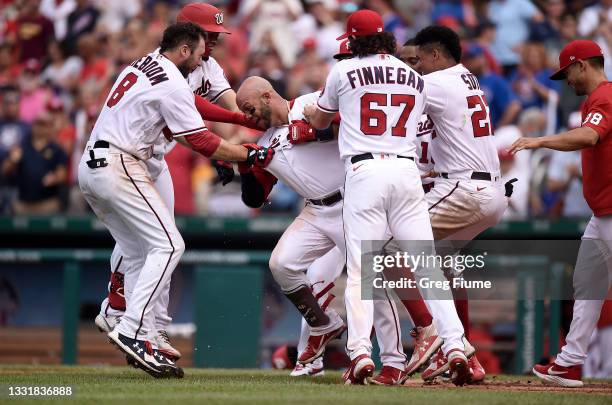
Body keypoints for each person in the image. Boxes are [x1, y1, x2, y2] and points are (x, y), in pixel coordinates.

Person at [78, 22, 274, 378]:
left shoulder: (146, 63)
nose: (205, 54)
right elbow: (198, 140)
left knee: (139, 251)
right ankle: (133, 329)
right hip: (121, 162)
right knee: (168, 245)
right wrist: (247, 155)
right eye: (201, 48)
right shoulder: (170, 78)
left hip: (95, 165)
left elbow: (197, 108)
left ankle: (126, 319)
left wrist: (235, 131)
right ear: (185, 49)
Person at [305, 10, 469, 385]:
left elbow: (320, 121)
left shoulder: (343, 71)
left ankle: (361, 352)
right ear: (387, 39)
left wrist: (314, 115)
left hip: (366, 172)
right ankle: (455, 343)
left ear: (353, 40)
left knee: (363, 270)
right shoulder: (414, 75)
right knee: (426, 266)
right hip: (407, 171)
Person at [236, 76, 409, 385]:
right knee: (282, 263)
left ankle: (394, 361)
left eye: (250, 109)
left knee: (373, 283)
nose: (248, 117)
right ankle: (323, 323)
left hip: (352, 200)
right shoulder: (263, 142)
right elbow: (255, 197)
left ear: (266, 96)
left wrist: (314, 131)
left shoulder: (308, 105)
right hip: (316, 210)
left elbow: (357, 120)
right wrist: (244, 166)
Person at [510, 39, 612, 388]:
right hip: (602, 214)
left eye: (567, 70)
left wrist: (539, 141)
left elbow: (589, 137)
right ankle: (569, 363)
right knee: (587, 285)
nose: (566, 79)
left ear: (582, 65)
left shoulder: (604, 96)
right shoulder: (594, 99)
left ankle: (569, 362)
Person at [2, 111, 67, 215]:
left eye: (45, 124)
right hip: (23, 204)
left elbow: (62, 174)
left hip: (47, 203)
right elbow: (5, 170)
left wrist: (54, 178)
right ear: (33, 125)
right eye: (38, 123)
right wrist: (12, 161)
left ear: (50, 127)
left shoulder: (56, 149)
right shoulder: (22, 146)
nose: (41, 128)